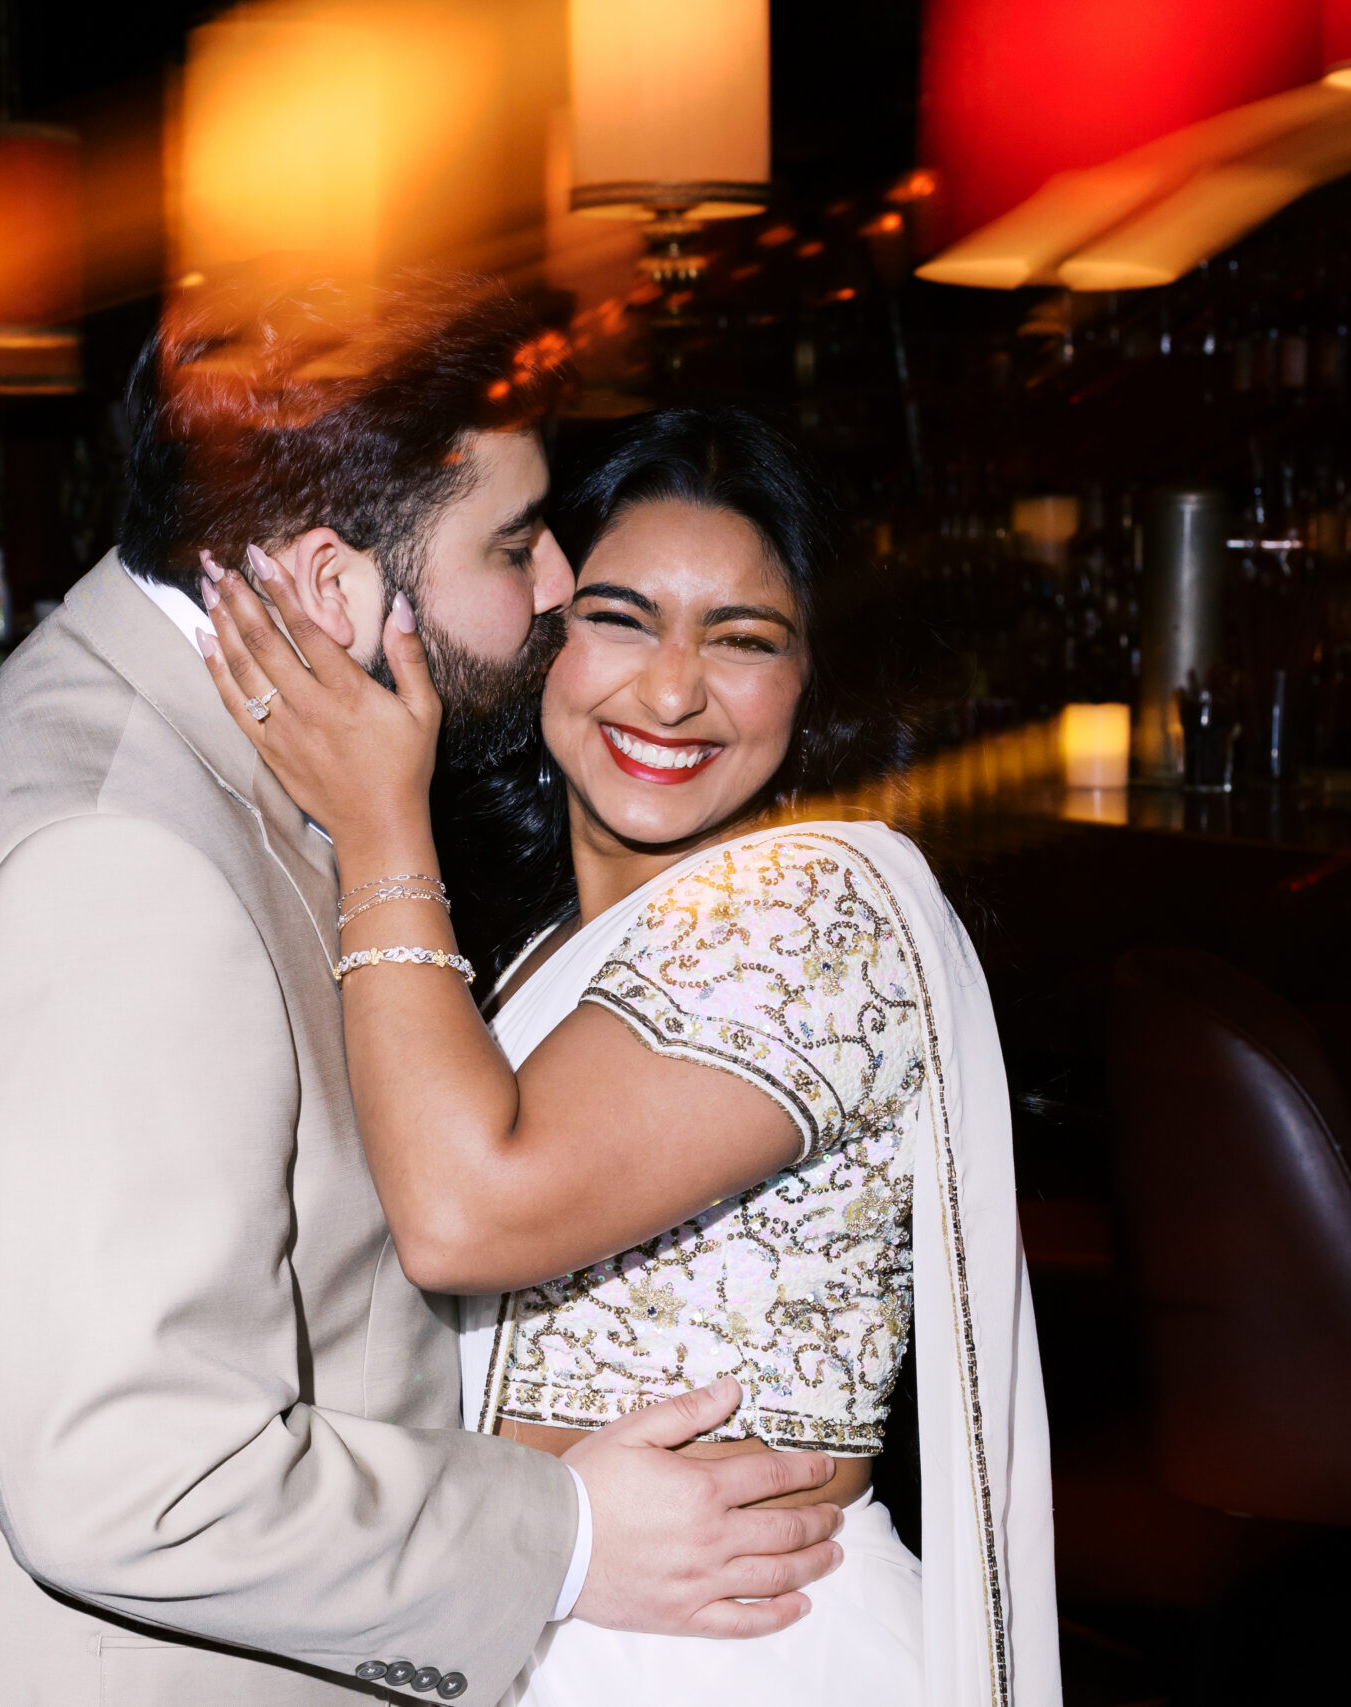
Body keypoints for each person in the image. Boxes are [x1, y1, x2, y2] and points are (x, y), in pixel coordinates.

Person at [0, 277, 846, 1707]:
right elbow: (138, 1479)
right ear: (331, 581)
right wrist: (570, 1537)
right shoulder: (114, 861)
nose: (553, 591)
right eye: (517, 544)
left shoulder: (220, 738)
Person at [196, 406, 1061, 1707]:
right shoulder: (544, 951)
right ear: (538, 623)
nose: (671, 691)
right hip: (524, 1618)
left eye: (745, 639)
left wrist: (384, 824)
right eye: (621, 618)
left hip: (741, 1659)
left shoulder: (818, 909)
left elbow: (466, 1216)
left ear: (813, 675)